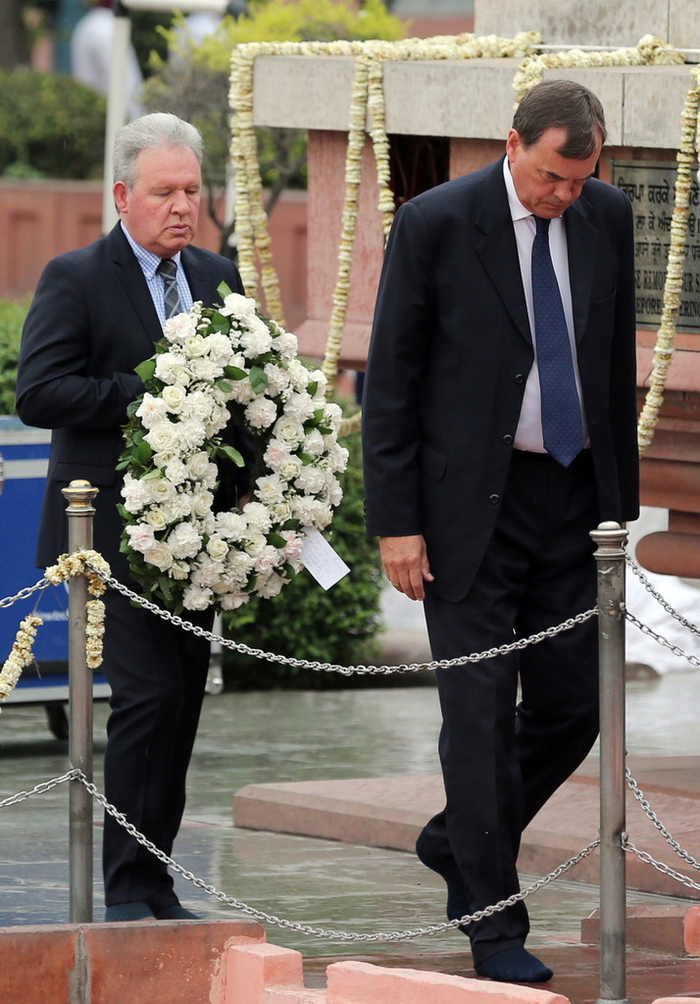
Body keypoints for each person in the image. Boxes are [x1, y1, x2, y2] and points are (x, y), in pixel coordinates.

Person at [362, 79, 639, 982]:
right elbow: (393, 381)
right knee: (476, 718)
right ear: (513, 142)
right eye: (555, 174)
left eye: (581, 175)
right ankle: (493, 923)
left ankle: (458, 837)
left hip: (569, 502)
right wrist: (396, 523)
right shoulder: (438, 223)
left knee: (573, 705)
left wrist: (616, 509)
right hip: (462, 514)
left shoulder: (608, 215)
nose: (566, 193)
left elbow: (606, 363)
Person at [16, 112, 249, 921]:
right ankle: (127, 893)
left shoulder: (220, 277)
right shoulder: (76, 276)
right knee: (146, 698)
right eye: (164, 192)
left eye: (191, 190)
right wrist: (151, 394)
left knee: (181, 706)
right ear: (124, 195)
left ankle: (155, 882)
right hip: (110, 538)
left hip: (198, 543)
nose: (181, 206)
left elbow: (244, 397)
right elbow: (39, 392)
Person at [70, 0, 144, 120]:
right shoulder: (107, 27)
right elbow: (126, 85)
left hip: (92, 115)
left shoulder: (86, 24)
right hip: (111, 119)